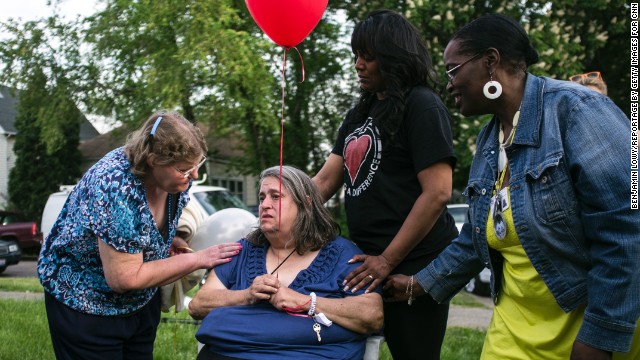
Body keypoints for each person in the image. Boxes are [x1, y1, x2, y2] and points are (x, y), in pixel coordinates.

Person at [384, 13, 639, 360]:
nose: (448, 84)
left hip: (586, 330)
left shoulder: (578, 110)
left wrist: (600, 336)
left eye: (453, 70)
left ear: (490, 61)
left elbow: (626, 230)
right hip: (514, 330)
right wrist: (420, 284)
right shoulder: (489, 141)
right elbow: (476, 238)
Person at [38, 111, 242, 360]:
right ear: (154, 160)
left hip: (141, 304)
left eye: (197, 166)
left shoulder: (173, 180)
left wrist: (171, 240)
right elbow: (125, 279)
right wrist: (198, 259)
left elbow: (147, 232)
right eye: (184, 169)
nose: (194, 176)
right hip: (86, 305)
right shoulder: (114, 186)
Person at [312, 9, 458, 360]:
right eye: (355, 56)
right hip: (365, 262)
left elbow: (438, 191)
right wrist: (279, 211)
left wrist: (387, 261)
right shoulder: (359, 113)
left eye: (368, 56)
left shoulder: (421, 104)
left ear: (393, 57)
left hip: (414, 265)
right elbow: (326, 180)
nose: (358, 64)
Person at [189, 165, 384, 360]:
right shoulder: (242, 251)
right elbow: (198, 305)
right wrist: (247, 295)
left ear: (306, 204)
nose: (265, 204)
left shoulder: (343, 254)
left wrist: (304, 301)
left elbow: (372, 315)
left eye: (275, 196)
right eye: (262, 197)